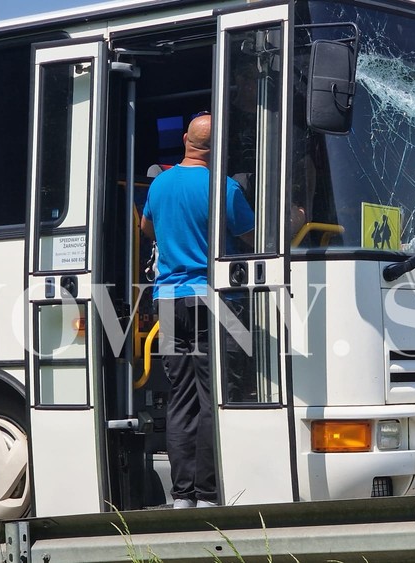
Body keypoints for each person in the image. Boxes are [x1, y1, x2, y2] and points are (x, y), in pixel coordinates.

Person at [140, 113, 254, 509]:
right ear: (216, 145)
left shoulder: (160, 184)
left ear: (186, 139)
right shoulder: (225, 189)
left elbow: (147, 229)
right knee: (211, 397)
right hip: (214, 301)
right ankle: (208, 494)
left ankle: (181, 495)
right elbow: (251, 237)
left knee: (181, 397)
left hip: (168, 301)